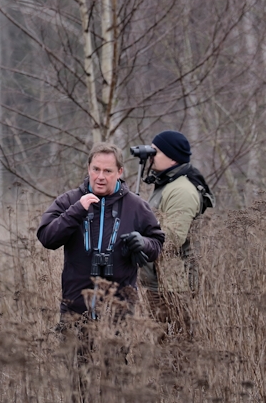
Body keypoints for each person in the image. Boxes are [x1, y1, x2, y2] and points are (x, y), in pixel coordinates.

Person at [37, 143, 165, 320]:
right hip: (75, 310)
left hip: (119, 313)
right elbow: (47, 238)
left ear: (119, 172)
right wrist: (76, 211)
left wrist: (142, 243)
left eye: (108, 171)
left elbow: (157, 244)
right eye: (96, 169)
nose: (100, 177)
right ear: (88, 168)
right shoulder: (70, 201)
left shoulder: (136, 206)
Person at [139, 130, 214, 334]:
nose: (150, 156)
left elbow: (171, 239)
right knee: (161, 343)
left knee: (173, 345)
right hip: (159, 281)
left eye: (155, 151)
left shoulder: (181, 190)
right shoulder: (169, 184)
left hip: (171, 286)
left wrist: (138, 234)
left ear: (172, 157)